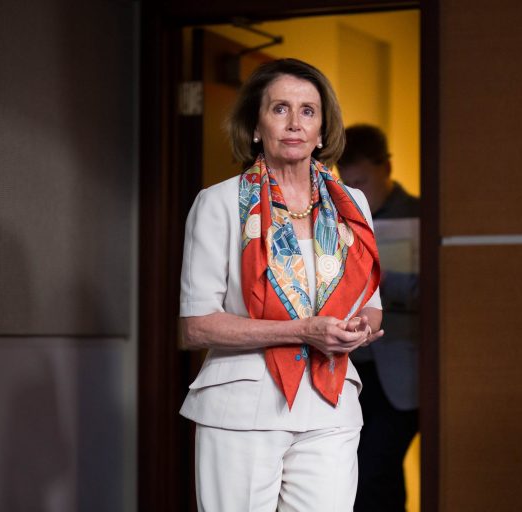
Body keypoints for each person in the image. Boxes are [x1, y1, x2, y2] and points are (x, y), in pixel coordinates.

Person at [178, 58, 385, 511]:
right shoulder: (217, 203)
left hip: (331, 403)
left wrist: (361, 328)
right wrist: (304, 331)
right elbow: (196, 327)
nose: (295, 123)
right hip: (242, 407)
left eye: (308, 111)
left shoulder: (353, 204)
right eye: (280, 109)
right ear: (256, 125)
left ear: (322, 128)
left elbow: (370, 302)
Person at [337, 124, 421, 512]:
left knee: (377, 470)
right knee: (353, 475)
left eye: (363, 180)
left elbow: (447, 294)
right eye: (348, 181)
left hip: (400, 369)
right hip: (350, 369)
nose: (357, 190)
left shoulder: (422, 214)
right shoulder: (337, 221)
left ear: (386, 167)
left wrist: (383, 286)